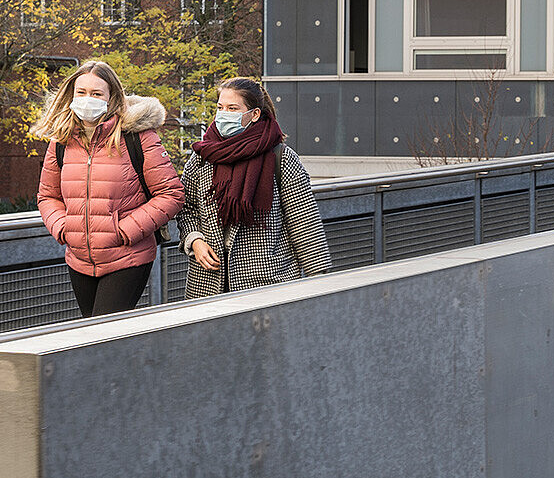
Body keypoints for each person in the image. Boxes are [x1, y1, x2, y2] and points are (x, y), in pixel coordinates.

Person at [32, 60, 185, 317]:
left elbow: (171, 194)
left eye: (96, 94)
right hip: (80, 258)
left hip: (127, 256)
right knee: (93, 338)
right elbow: (47, 195)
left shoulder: (137, 136)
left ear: (111, 97)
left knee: (103, 334)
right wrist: (63, 228)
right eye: (81, 93)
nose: (87, 99)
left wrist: (124, 231)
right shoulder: (61, 140)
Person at [176, 77, 331, 299]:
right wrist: (194, 240)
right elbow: (186, 208)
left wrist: (322, 284)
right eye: (220, 107)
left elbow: (305, 224)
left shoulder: (281, 158)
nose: (223, 114)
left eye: (232, 108)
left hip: (267, 283)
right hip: (208, 284)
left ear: (255, 114)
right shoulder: (203, 156)